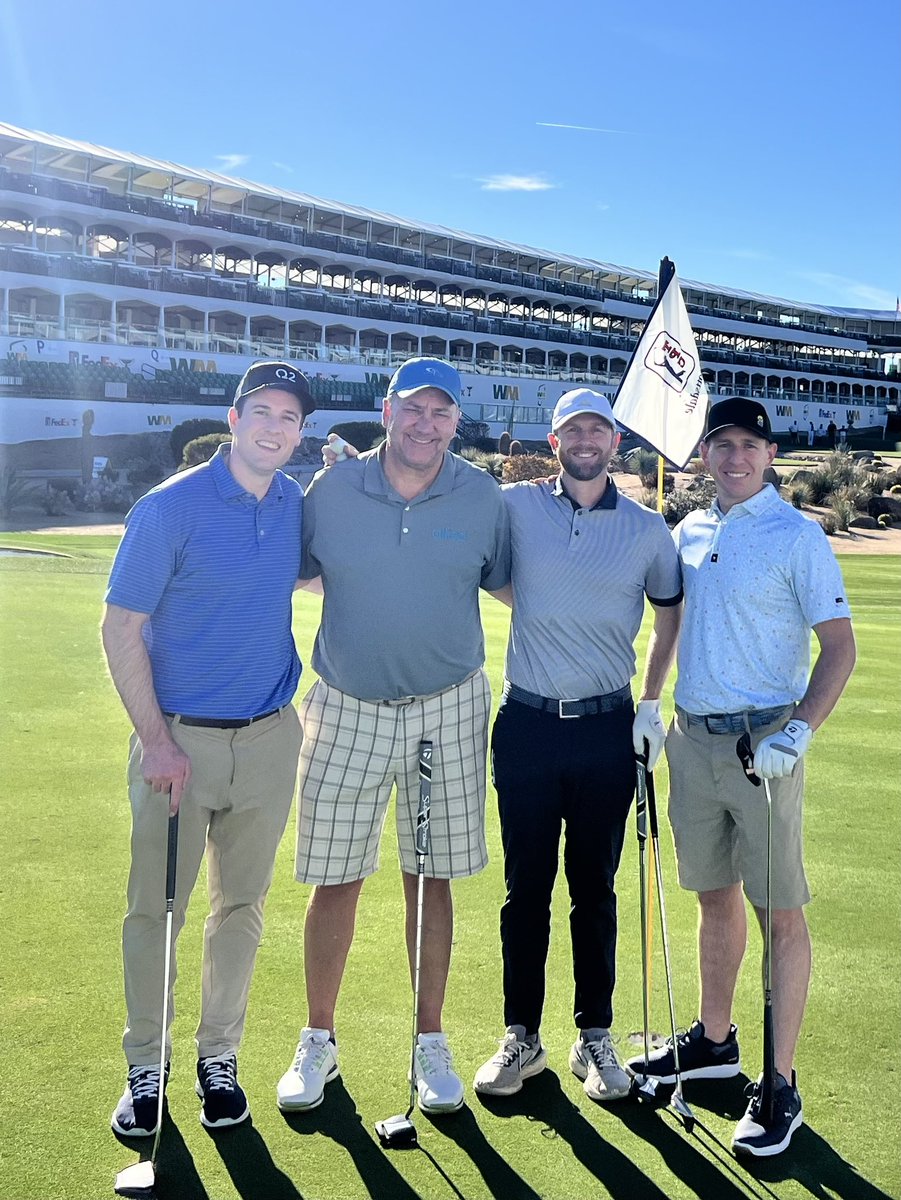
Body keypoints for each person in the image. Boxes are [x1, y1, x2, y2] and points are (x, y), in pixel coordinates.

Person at [275, 357, 510, 1116]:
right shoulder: (332, 488)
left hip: (448, 705)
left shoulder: (481, 496)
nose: (426, 424)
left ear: (455, 422)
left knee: (429, 879)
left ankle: (429, 1039)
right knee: (334, 880)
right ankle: (318, 1038)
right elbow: (292, 570)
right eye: (414, 409)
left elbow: (512, 582)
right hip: (345, 705)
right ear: (386, 411)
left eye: (441, 413)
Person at [625, 397, 856, 1158]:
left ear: (767, 452)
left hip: (764, 747)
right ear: (704, 454)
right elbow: (672, 627)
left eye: (749, 444)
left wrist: (796, 730)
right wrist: (650, 706)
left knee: (778, 914)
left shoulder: (797, 535)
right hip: (692, 740)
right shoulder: (687, 530)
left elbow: (838, 650)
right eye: (720, 444)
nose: (734, 457)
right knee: (711, 899)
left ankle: (779, 1083)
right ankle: (715, 1041)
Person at [102, 361, 311, 1135]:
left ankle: (216, 1059)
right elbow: (120, 627)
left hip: (267, 739)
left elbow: (324, 579)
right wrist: (155, 741)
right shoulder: (170, 509)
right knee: (156, 910)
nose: (274, 427)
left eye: (289, 417)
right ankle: (146, 1069)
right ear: (233, 418)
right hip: (177, 743)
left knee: (242, 909)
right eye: (262, 411)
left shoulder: (293, 505)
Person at [470, 389, 683, 1103]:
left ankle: (595, 1034)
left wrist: (650, 702)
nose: (585, 439)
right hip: (526, 722)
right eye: (571, 429)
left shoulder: (649, 529)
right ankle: (520, 1036)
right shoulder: (512, 505)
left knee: (593, 888)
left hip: (604, 726)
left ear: (614, 440)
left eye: (597, 427)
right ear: (553, 440)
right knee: (523, 889)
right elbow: (488, 569)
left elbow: (668, 611)